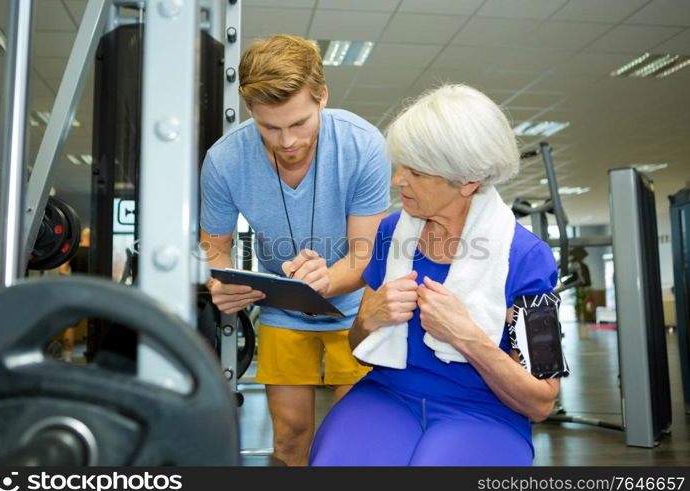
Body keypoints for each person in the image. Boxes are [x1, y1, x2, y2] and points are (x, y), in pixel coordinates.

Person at [309, 84, 568, 466]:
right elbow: (358, 345)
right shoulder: (390, 233)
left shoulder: (527, 258)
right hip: (388, 394)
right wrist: (366, 320)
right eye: (400, 166)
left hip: (483, 410)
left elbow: (541, 399)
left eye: (416, 172)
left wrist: (466, 337)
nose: (399, 180)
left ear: (468, 180)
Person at [200, 35, 391, 465]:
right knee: (289, 438)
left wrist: (327, 279)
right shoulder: (224, 161)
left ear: (322, 96)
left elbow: (364, 255)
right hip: (282, 305)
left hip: (358, 306)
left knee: (352, 438)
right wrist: (220, 280)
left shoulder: (363, 146)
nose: (286, 141)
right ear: (250, 110)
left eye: (299, 123)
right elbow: (214, 245)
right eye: (270, 127)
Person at [57, 227, 90, 362]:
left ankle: (67, 357)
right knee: (98, 322)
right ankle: (93, 354)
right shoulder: (96, 252)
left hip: (77, 290)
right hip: (93, 290)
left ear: (82, 238)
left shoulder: (74, 251)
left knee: (71, 325)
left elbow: (62, 270)